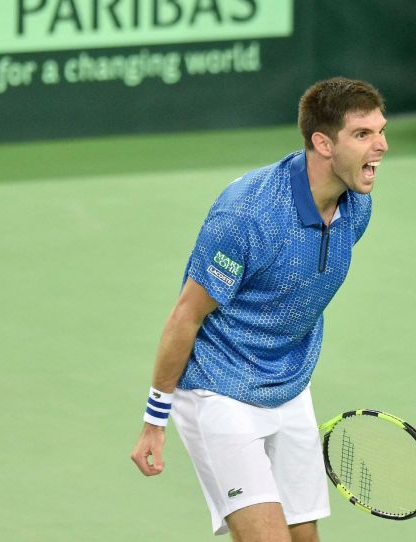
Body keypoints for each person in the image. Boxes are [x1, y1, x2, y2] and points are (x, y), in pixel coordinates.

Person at [130, 77, 388, 542]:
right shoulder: (246, 217)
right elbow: (185, 315)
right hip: (220, 390)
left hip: (290, 387)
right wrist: (155, 419)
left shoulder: (356, 208)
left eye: (381, 131)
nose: (382, 146)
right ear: (323, 143)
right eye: (363, 135)